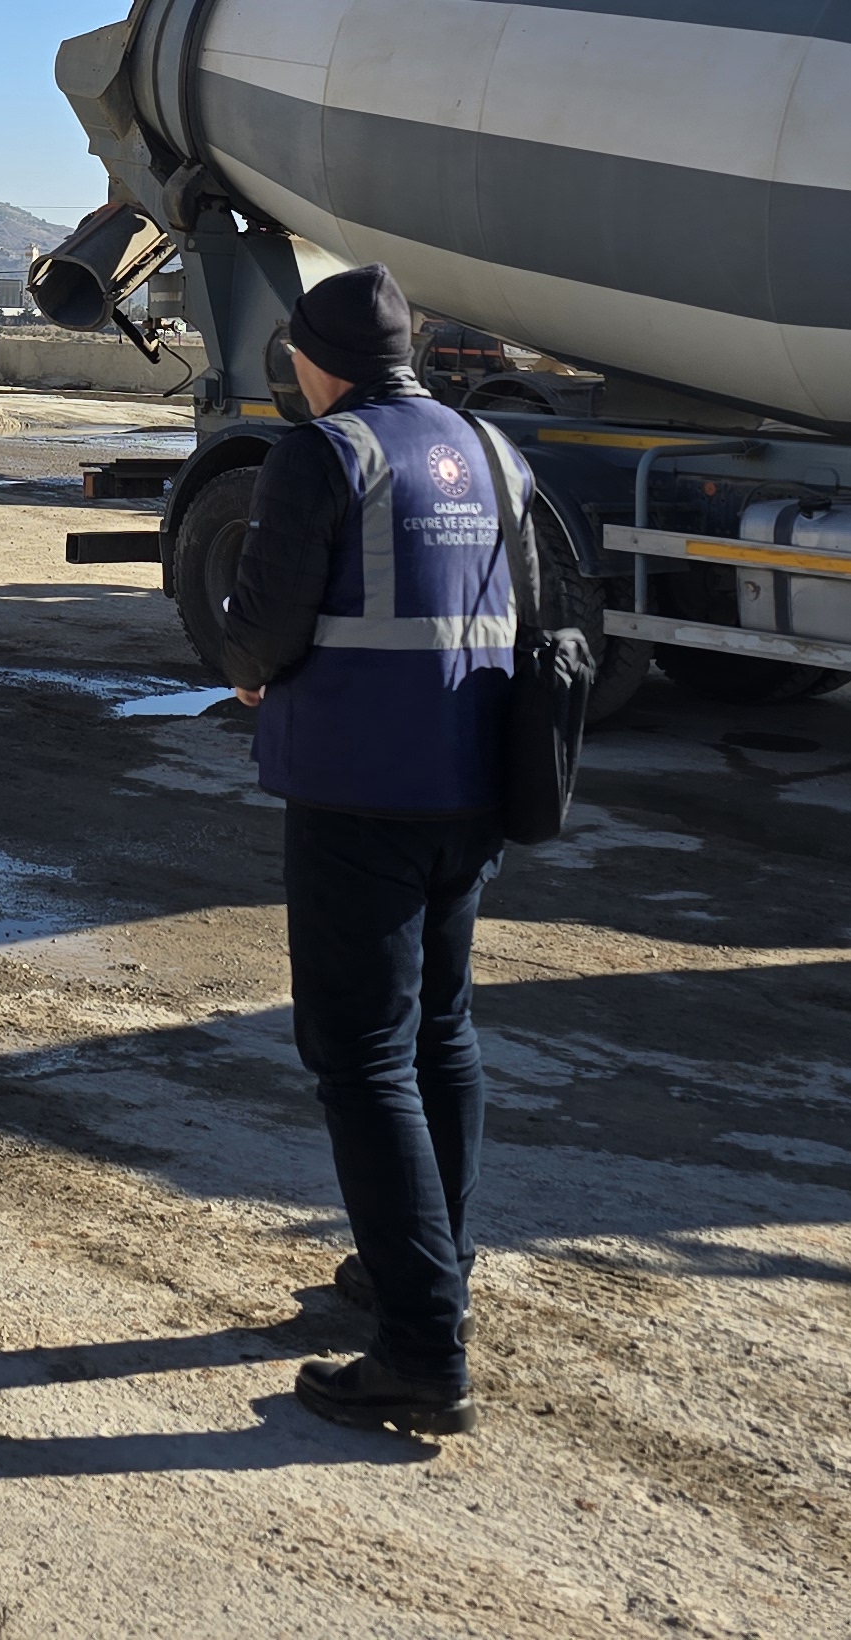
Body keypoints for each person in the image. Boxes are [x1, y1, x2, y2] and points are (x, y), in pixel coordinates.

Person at [213, 261, 543, 1439]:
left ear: (318, 359)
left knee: (359, 1056)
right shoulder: (492, 449)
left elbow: (261, 622)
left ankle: (419, 1347)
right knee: (441, 1029)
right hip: (474, 785)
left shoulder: (326, 451)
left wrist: (250, 676)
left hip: (359, 788)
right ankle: (429, 1262)